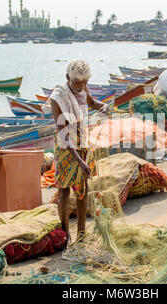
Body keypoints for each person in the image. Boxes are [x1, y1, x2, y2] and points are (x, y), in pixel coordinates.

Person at [48, 60, 110, 244]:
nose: (82, 86)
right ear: (68, 78)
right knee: (64, 189)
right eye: (78, 83)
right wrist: (80, 161)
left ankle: (82, 234)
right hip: (66, 146)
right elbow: (63, 132)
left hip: (82, 143)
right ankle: (66, 234)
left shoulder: (83, 87)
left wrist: (102, 106)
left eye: (85, 82)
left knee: (83, 189)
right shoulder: (58, 97)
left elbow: (90, 102)